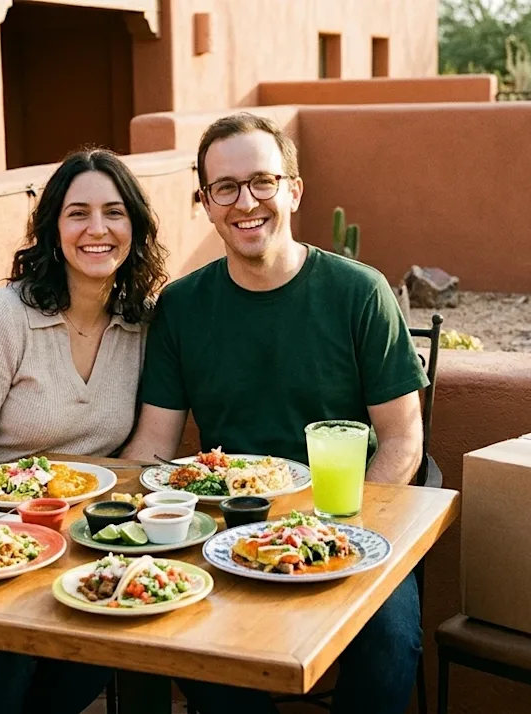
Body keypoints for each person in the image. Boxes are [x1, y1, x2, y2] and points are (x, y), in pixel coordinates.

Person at [120, 113, 429, 714]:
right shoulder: (181, 306)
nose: (246, 202)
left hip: (349, 518)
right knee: (188, 641)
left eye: (262, 181)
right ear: (206, 203)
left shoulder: (360, 293)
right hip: (223, 525)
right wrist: (117, 517)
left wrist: (339, 526)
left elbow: (402, 440)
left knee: (391, 644)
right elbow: (153, 445)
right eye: (225, 188)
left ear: (293, 189)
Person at [0, 147, 169, 714]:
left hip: (75, 519)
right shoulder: (5, 316)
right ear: (52, 229)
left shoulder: (142, 324)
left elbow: (142, 452)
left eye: (115, 213)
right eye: (78, 213)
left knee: (115, 618)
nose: (98, 229)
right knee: (3, 645)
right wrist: (31, 527)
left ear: (134, 228)